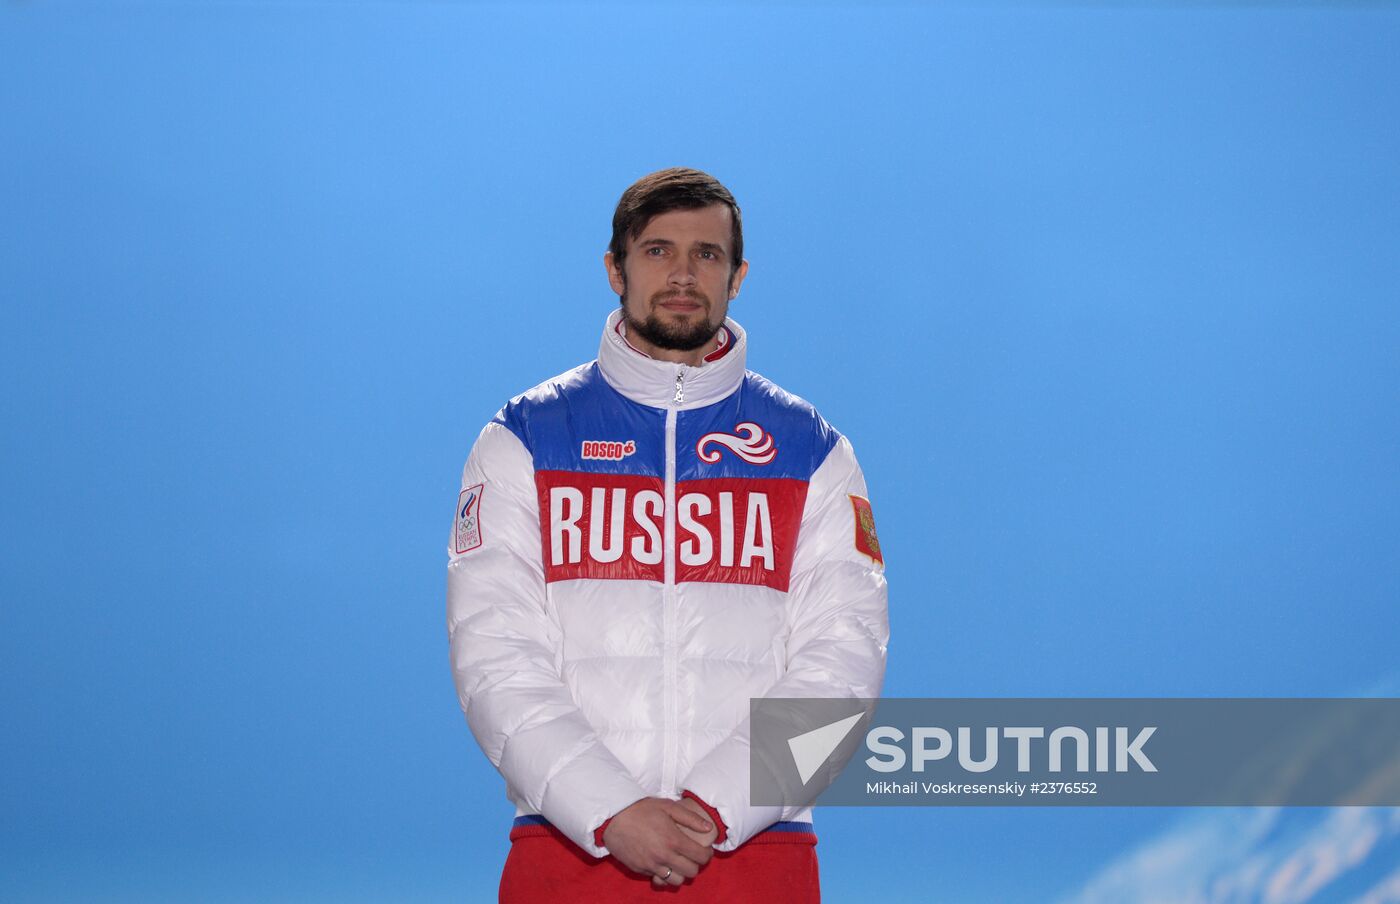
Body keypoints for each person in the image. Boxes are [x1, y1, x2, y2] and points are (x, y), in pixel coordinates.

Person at [446, 167, 888, 902]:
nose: (683, 273)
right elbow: (493, 653)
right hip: (570, 852)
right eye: (657, 251)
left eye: (707, 255)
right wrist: (609, 811)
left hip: (755, 855)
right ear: (614, 268)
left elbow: (844, 663)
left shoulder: (812, 450)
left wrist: (716, 810)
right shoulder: (524, 437)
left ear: (737, 276)